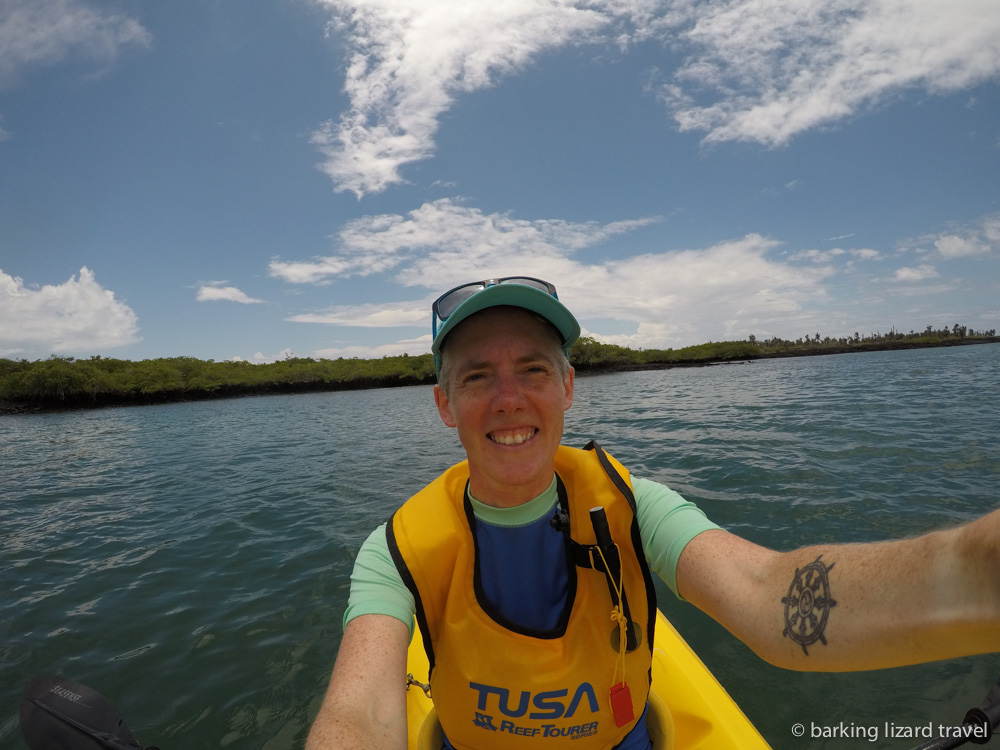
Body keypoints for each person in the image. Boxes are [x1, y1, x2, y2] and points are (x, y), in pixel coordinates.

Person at [306, 276, 1000, 750]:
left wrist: (978, 570)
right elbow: (359, 712)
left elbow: (770, 596)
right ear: (443, 404)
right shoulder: (394, 549)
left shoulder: (636, 507)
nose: (509, 399)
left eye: (534, 370)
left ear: (569, 387)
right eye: (477, 377)